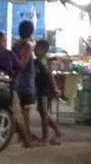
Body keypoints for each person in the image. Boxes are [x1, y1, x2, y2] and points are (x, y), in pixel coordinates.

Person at [12, 18, 40, 147]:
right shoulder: (27, 46)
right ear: (31, 31)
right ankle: (26, 139)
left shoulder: (16, 44)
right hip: (25, 82)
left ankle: (24, 136)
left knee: (22, 111)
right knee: (25, 112)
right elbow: (22, 63)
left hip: (18, 80)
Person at [35, 36, 63, 145]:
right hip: (42, 90)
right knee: (43, 113)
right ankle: (57, 131)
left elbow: (50, 76)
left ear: (43, 50)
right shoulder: (38, 61)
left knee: (44, 114)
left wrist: (55, 88)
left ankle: (45, 138)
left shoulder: (44, 61)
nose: (34, 50)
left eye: (37, 48)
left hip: (45, 90)